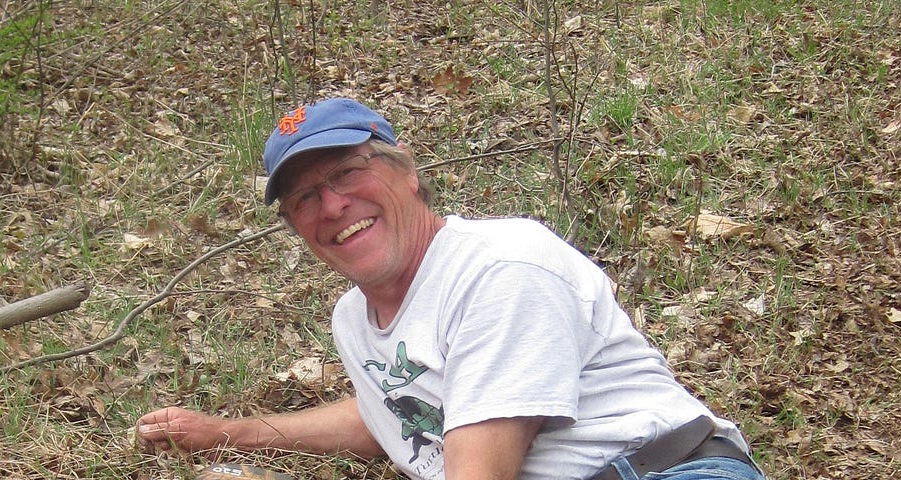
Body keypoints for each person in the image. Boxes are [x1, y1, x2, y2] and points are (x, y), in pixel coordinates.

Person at [135, 98, 763, 480]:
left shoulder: (501, 267)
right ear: (296, 226)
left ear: (407, 171)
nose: (332, 203)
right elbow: (393, 414)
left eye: (349, 171)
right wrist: (224, 433)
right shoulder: (355, 319)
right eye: (304, 197)